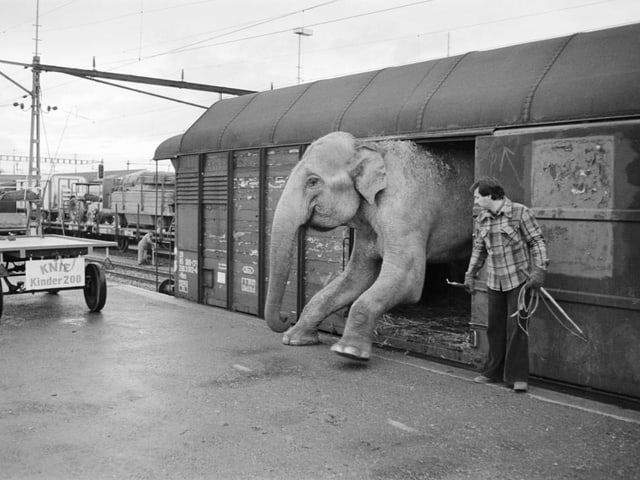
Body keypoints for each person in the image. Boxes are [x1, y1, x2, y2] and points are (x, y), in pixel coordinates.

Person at [464, 176, 549, 393]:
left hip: (519, 282)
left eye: (477, 197)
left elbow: (537, 241)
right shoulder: (482, 218)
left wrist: (539, 270)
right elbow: (479, 249)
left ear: (490, 195)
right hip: (495, 281)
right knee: (495, 328)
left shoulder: (520, 212)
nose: (475, 202)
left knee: (518, 328)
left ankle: (517, 377)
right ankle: (492, 372)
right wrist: (470, 274)